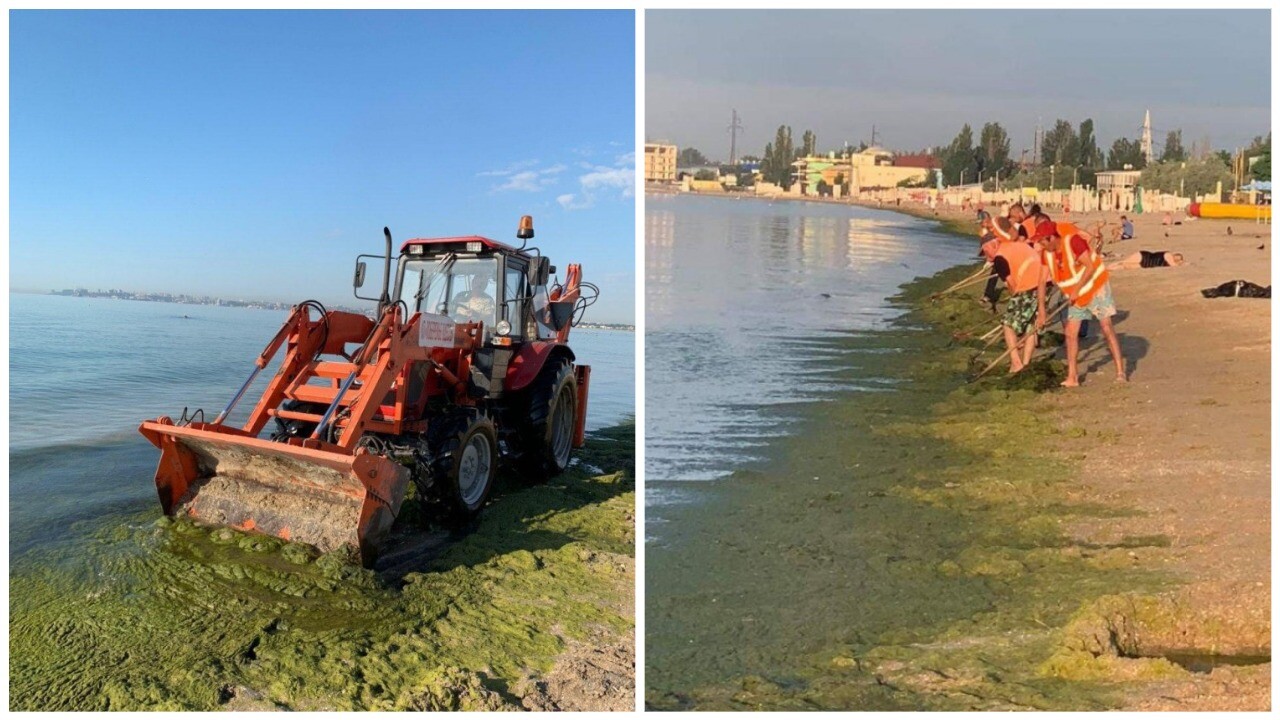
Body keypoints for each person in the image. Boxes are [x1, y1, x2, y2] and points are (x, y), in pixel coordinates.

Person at [1034, 220, 1126, 386]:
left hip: (1096, 287)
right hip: (1076, 295)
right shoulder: (1046, 254)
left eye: (1041, 240)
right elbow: (1041, 282)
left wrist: (1077, 289)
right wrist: (1042, 310)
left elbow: (1089, 266)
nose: (1039, 244)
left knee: (1106, 327)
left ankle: (1120, 372)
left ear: (1051, 238)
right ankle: (1072, 376)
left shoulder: (1073, 242)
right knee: (1070, 333)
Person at [993, 240, 1044, 373]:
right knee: (1030, 325)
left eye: (984, 251)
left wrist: (1013, 297)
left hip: (1027, 286)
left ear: (990, 246)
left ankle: (1016, 362)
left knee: (1007, 324)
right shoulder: (1017, 245)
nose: (985, 255)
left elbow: (1012, 285)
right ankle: (1026, 364)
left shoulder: (999, 258)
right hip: (1044, 282)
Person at [1109, 250, 1185, 270]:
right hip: (1145, 256)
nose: (1177, 259)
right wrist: (1183, 264)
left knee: (1126, 266)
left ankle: (1109, 269)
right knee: (1124, 262)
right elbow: (1173, 265)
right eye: (1178, 258)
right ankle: (1110, 266)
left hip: (1147, 264)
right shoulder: (1168, 255)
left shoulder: (1170, 260)